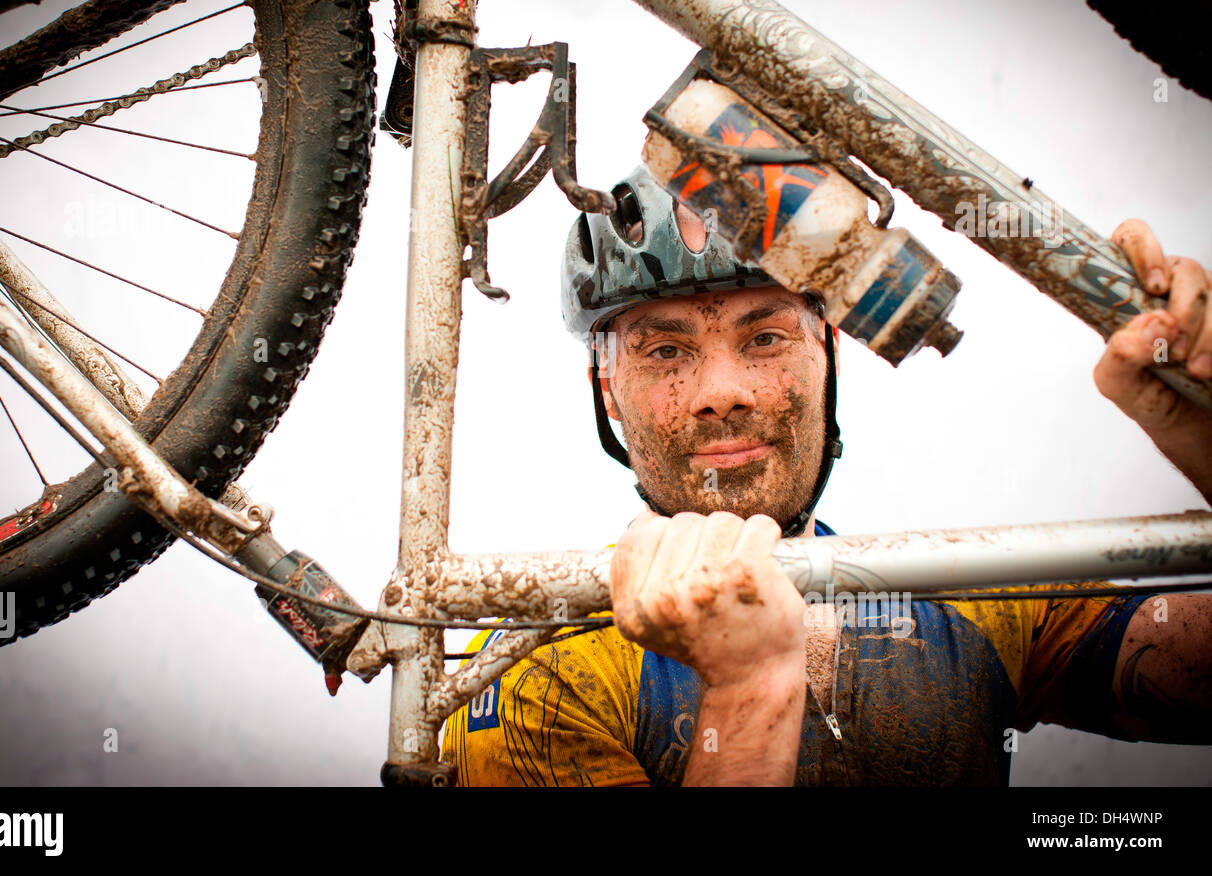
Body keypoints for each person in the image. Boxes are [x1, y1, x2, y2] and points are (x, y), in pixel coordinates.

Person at [439, 164, 1212, 786]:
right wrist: (749, 693)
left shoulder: (973, 594)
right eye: (666, 351)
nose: (720, 394)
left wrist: (1195, 423)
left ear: (828, 354)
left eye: (766, 335)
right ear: (606, 387)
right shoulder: (541, 673)